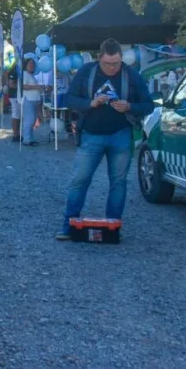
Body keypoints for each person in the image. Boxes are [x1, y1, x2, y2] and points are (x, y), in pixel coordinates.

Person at [56, 38, 155, 240]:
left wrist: (129, 107)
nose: (112, 68)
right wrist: (90, 103)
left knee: (118, 183)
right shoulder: (86, 72)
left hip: (120, 136)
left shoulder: (131, 75)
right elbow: (70, 100)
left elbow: (148, 105)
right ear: (99, 58)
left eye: (116, 63)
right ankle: (68, 225)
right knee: (79, 180)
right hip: (91, 136)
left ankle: (113, 227)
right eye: (108, 63)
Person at [20, 58, 41, 146]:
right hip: (28, 99)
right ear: (26, 65)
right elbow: (23, 86)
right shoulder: (24, 74)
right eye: (30, 63)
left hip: (34, 99)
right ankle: (26, 140)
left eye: (33, 64)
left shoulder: (31, 75)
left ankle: (30, 138)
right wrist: (36, 87)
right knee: (29, 120)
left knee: (32, 120)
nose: (32, 65)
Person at [7, 64, 20, 143]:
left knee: (17, 115)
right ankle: (15, 135)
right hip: (14, 96)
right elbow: (11, 84)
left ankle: (17, 134)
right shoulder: (13, 70)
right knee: (16, 114)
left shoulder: (18, 69)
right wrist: (22, 86)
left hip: (17, 95)